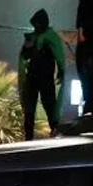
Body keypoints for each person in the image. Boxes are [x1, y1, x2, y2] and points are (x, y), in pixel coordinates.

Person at [19, 9, 64, 140]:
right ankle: (28, 136)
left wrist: (61, 70)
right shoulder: (32, 37)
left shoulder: (51, 36)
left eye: (38, 24)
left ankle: (55, 130)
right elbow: (24, 57)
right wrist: (28, 47)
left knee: (49, 105)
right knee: (30, 108)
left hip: (46, 77)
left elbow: (59, 55)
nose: (36, 27)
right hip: (32, 77)